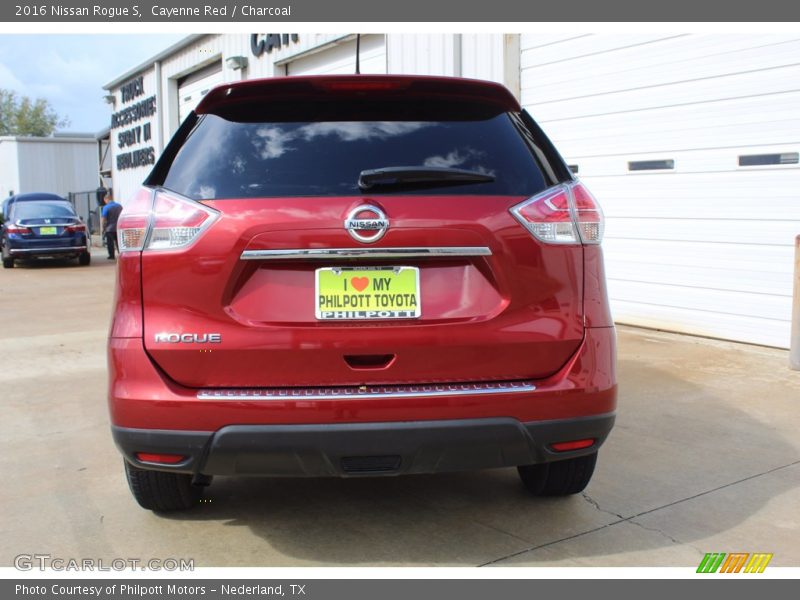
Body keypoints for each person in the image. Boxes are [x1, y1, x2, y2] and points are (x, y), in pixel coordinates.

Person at [100, 191, 123, 260]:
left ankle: (111, 255)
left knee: (110, 243)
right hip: (118, 227)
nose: (105, 202)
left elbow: (103, 218)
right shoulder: (119, 206)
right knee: (118, 242)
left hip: (109, 228)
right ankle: (121, 254)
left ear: (106, 199)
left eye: (105, 200)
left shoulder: (106, 207)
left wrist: (103, 228)